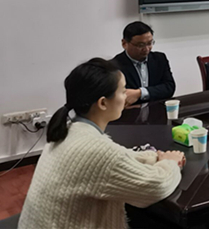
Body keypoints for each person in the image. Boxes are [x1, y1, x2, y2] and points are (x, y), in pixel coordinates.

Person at [19, 59, 184, 229]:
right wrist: (170, 163)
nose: (126, 96)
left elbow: (117, 157)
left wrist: (154, 156)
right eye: (123, 91)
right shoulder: (96, 151)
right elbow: (156, 187)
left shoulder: (68, 130)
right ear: (103, 103)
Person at [111, 21, 175, 104]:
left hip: (157, 108)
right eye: (140, 45)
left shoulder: (159, 59)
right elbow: (121, 96)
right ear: (124, 43)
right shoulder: (114, 66)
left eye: (149, 43)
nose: (146, 49)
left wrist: (140, 93)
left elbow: (169, 87)